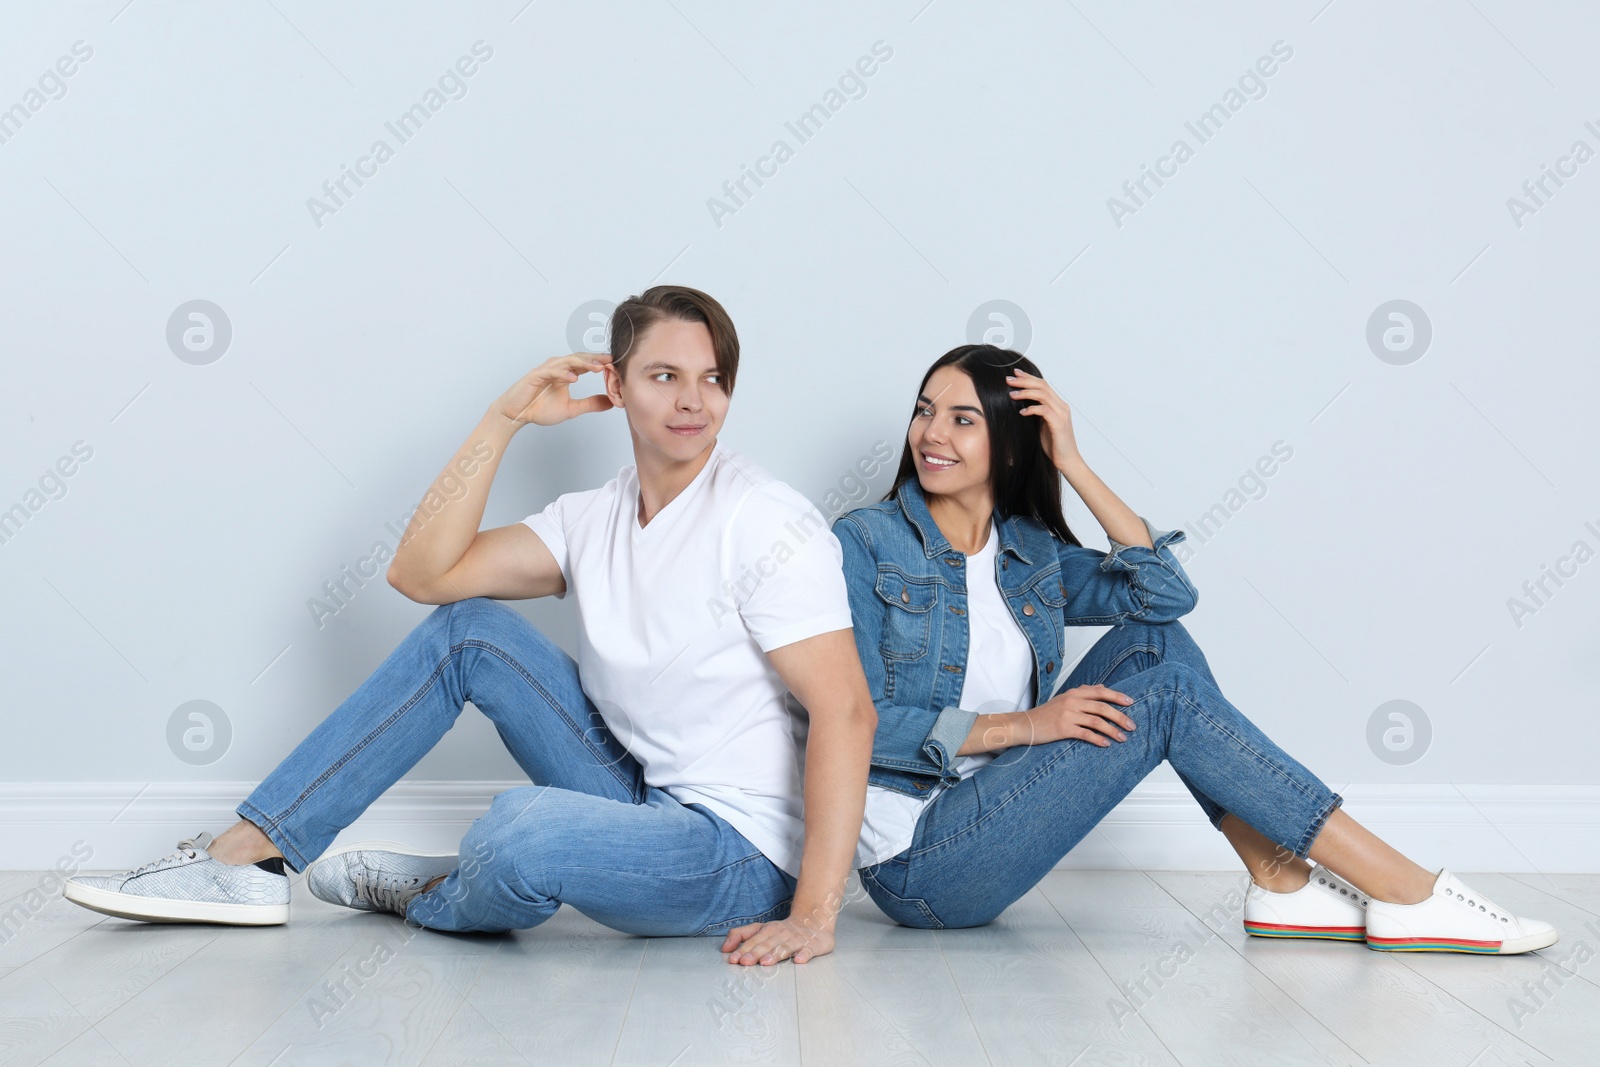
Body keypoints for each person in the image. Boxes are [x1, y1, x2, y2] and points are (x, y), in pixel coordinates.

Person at [65, 285, 876, 967]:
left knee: (522, 829)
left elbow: (847, 711)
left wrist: (815, 914)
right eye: (665, 375)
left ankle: (440, 893)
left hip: (736, 852)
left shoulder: (764, 520)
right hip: (636, 792)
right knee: (471, 629)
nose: (694, 400)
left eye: (712, 378)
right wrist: (503, 420)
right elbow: (423, 575)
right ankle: (248, 858)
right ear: (615, 383)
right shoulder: (593, 517)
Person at [835, 343, 1558, 955]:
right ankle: (1404, 888)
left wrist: (1076, 463)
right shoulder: (866, 542)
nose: (932, 433)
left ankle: (1281, 880)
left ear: (1012, 442)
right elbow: (857, 724)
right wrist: (1028, 725)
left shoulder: (1029, 556)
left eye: (964, 418)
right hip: (919, 859)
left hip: (998, 810)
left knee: (1156, 646)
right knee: (1170, 695)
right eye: (925, 409)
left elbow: (1164, 596)